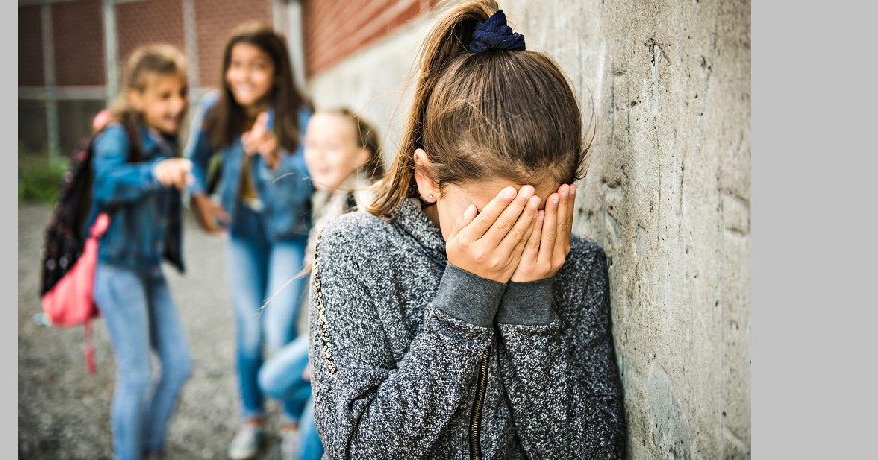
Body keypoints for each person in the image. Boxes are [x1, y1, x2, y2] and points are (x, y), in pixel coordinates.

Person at [307, 1, 627, 459]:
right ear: (428, 179)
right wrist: (468, 295)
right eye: (494, 218)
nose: (514, 238)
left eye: (535, 213)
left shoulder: (578, 266)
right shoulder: (355, 250)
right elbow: (356, 450)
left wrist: (531, 308)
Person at [183, 21, 316, 460]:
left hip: (286, 233)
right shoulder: (214, 108)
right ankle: (252, 418)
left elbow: (304, 188)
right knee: (249, 332)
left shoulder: (299, 115)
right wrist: (198, 198)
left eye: (257, 66)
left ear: (277, 72)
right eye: (236, 65)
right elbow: (194, 162)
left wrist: (272, 154)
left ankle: (294, 416)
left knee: (279, 328)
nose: (243, 75)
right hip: (243, 233)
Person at [257, 107, 386, 460]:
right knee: (270, 380)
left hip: (353, 346)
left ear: (362, 155)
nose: (317, 155)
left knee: (310, 444)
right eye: (312, 144)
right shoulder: (329, 198)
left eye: (331, 146)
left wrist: (324, 360)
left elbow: (369, 300)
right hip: (326, 336)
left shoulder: (363, 206)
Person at [88, 44, 195, 460]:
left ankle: (149, 447)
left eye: (181, 93)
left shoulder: (167, 138)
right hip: (117, 270)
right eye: (164, 95)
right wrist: (154, 172)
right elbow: (106, 183)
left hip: (149, 270)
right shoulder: (117, 134)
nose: (177, 104)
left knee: (179, 364)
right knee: (135, 374)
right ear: (136, 96)